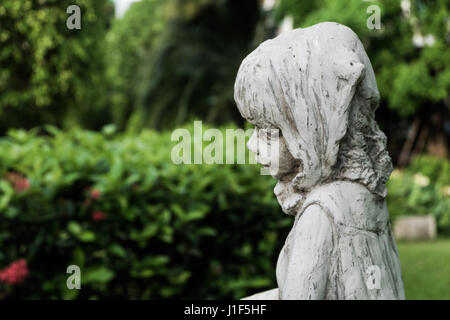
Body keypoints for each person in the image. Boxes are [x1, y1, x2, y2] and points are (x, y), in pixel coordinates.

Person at [234, 22, 405, 300]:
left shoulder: (321, 214)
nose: (251, 145)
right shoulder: (367, 197)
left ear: (312, 130)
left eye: (268, 132)